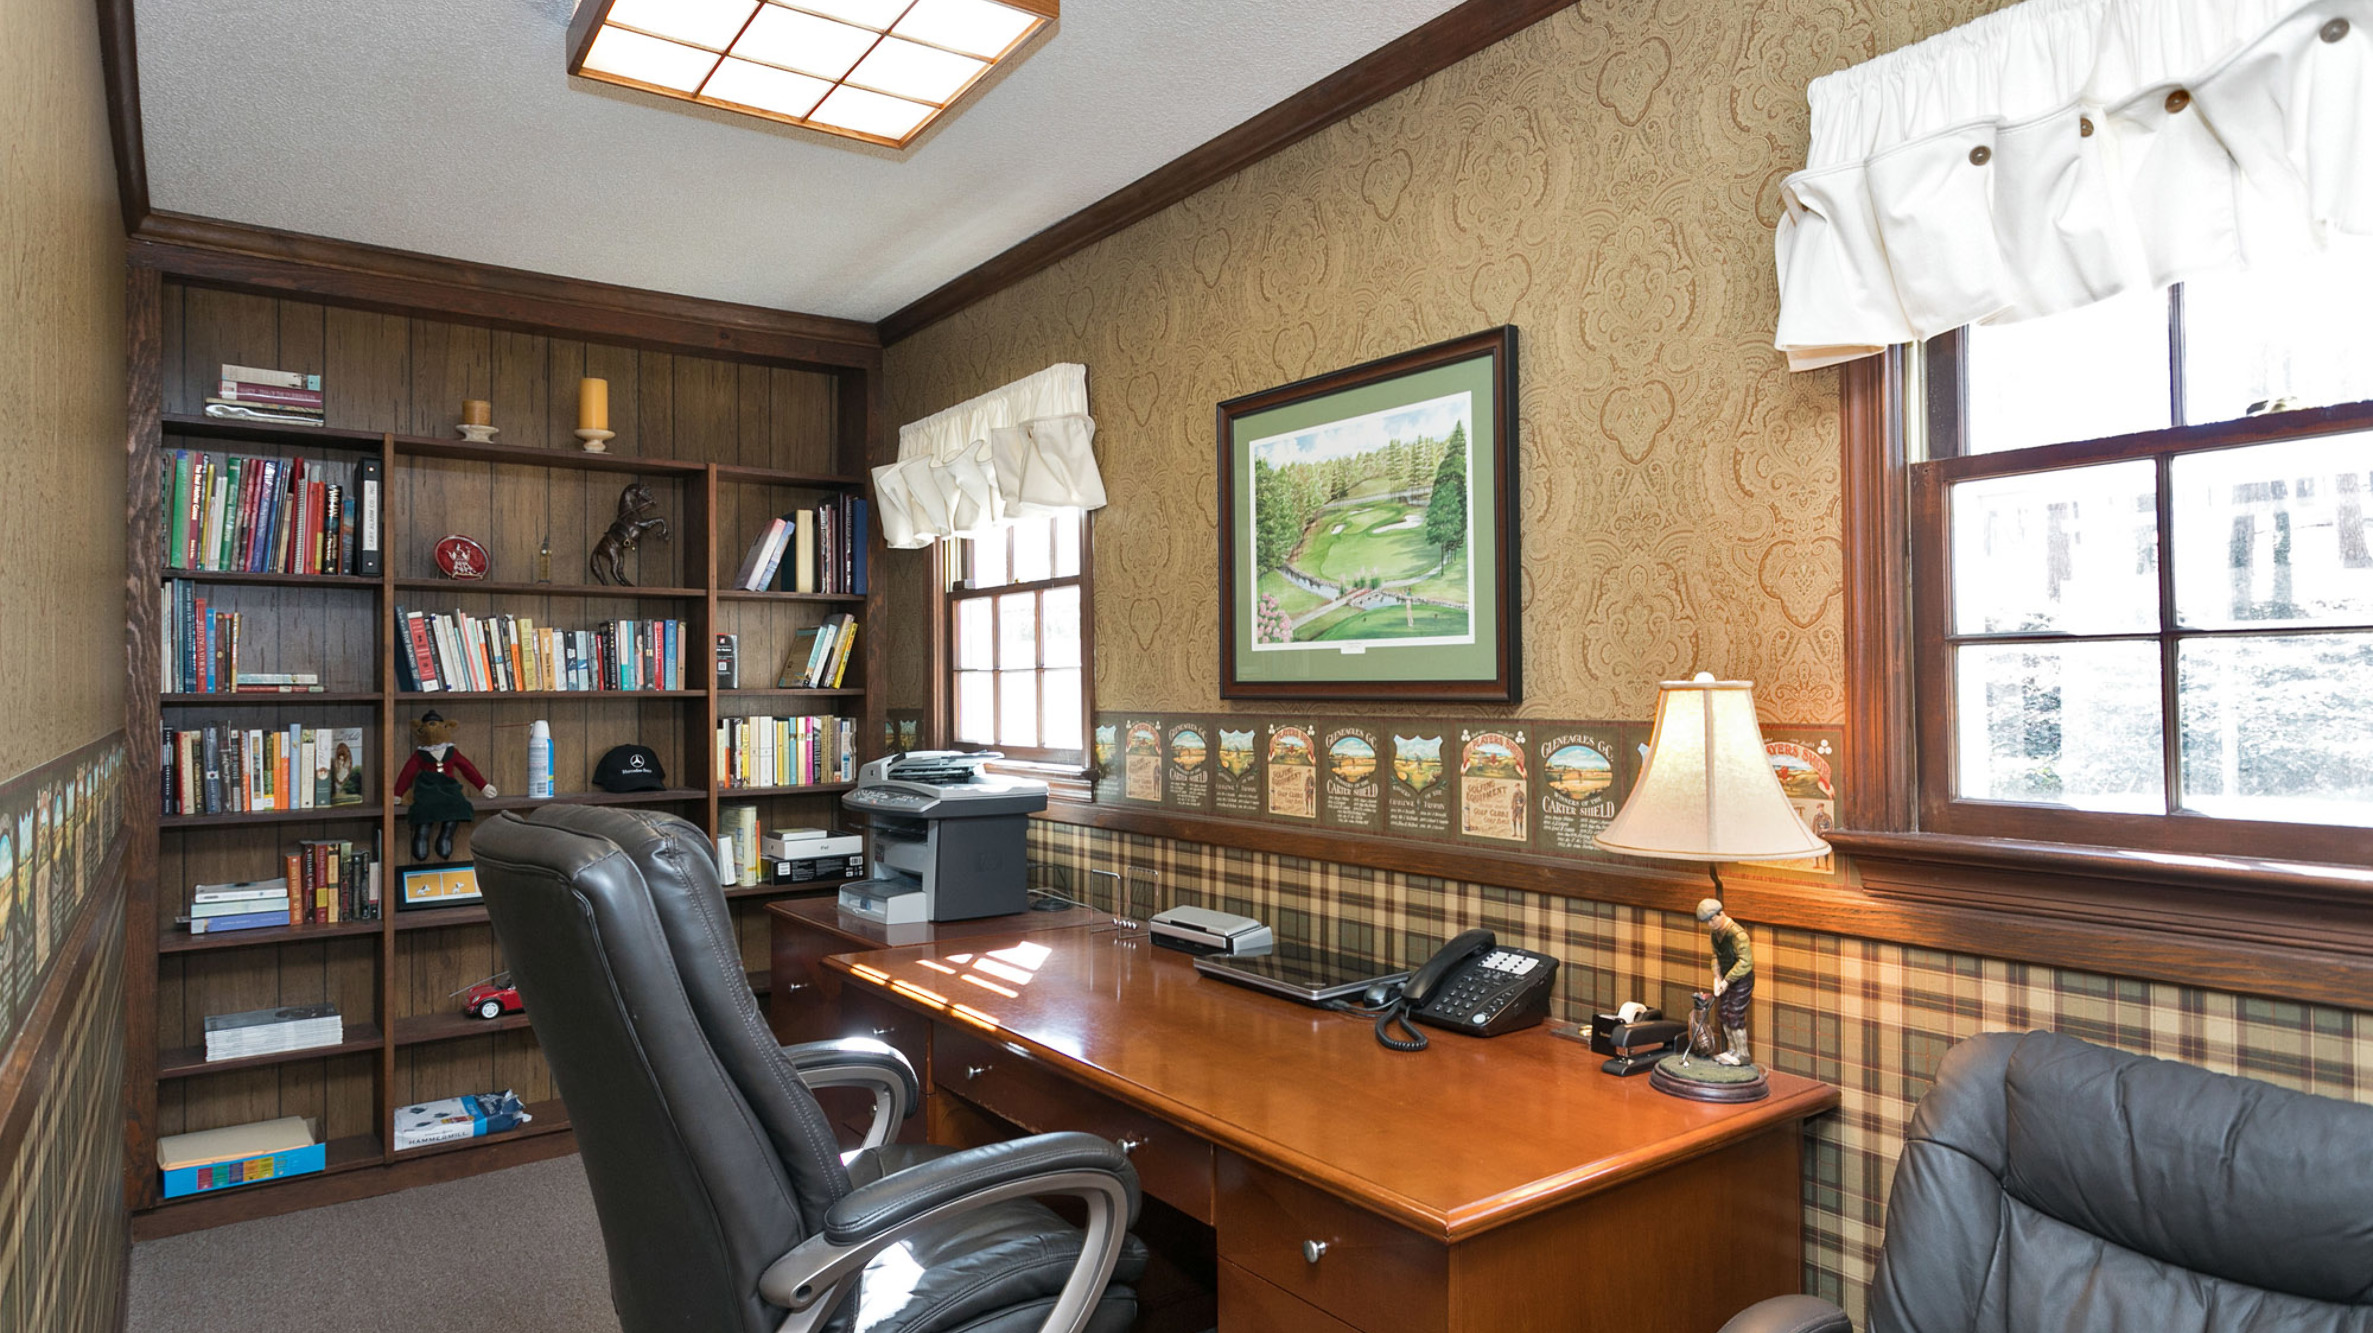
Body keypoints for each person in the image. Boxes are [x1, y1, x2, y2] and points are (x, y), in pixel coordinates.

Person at [1696, 897, 1754, 1066]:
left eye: (1712, 920)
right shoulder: (1715, 934)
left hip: (1741, 980)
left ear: (1721, 914)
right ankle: (1732, 1050)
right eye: (1707, 922)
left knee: (1734, 1015)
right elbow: (1716, 955)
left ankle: (1743, 1054)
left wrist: (1727, 981)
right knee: (1724, 1014)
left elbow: (1745, 962)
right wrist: (1717, 977)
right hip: (1725, 979)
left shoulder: (1737, 934)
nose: (1710, 925)